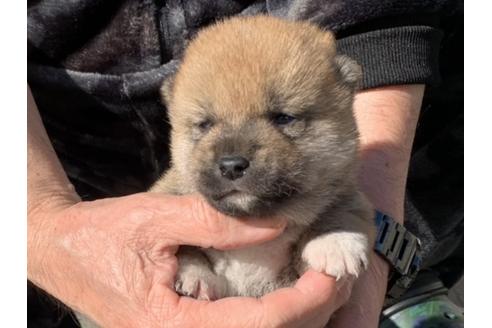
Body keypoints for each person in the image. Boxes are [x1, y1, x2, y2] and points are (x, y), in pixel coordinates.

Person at [27, 1, 463, 327]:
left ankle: (408, 281)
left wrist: (362, 242)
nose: (234, 157)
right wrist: (39, 222)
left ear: (342, 91)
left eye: (283, 118)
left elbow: (351, 208)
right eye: (204, 124)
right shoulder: (177, 186)